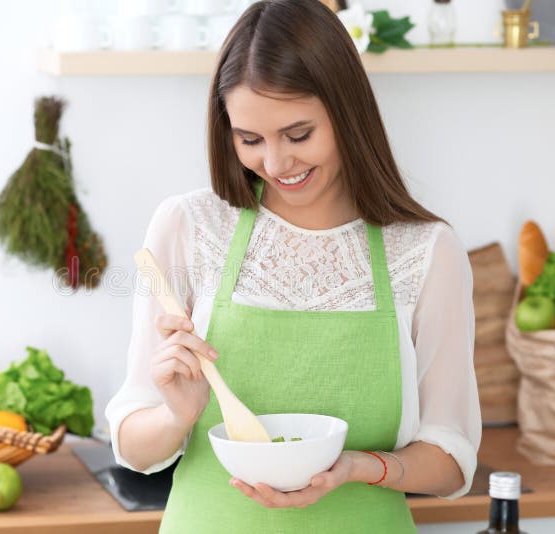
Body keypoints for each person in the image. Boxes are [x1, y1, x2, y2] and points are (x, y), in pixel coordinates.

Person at [105, 0, 481, 531]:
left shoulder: (426, 251)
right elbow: (133, 448)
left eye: (299, 134)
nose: (277, 164)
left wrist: (356, 468)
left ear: (348, 113)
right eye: (250, 140)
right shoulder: (188, 227)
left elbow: (451, 460)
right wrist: (176, 414)